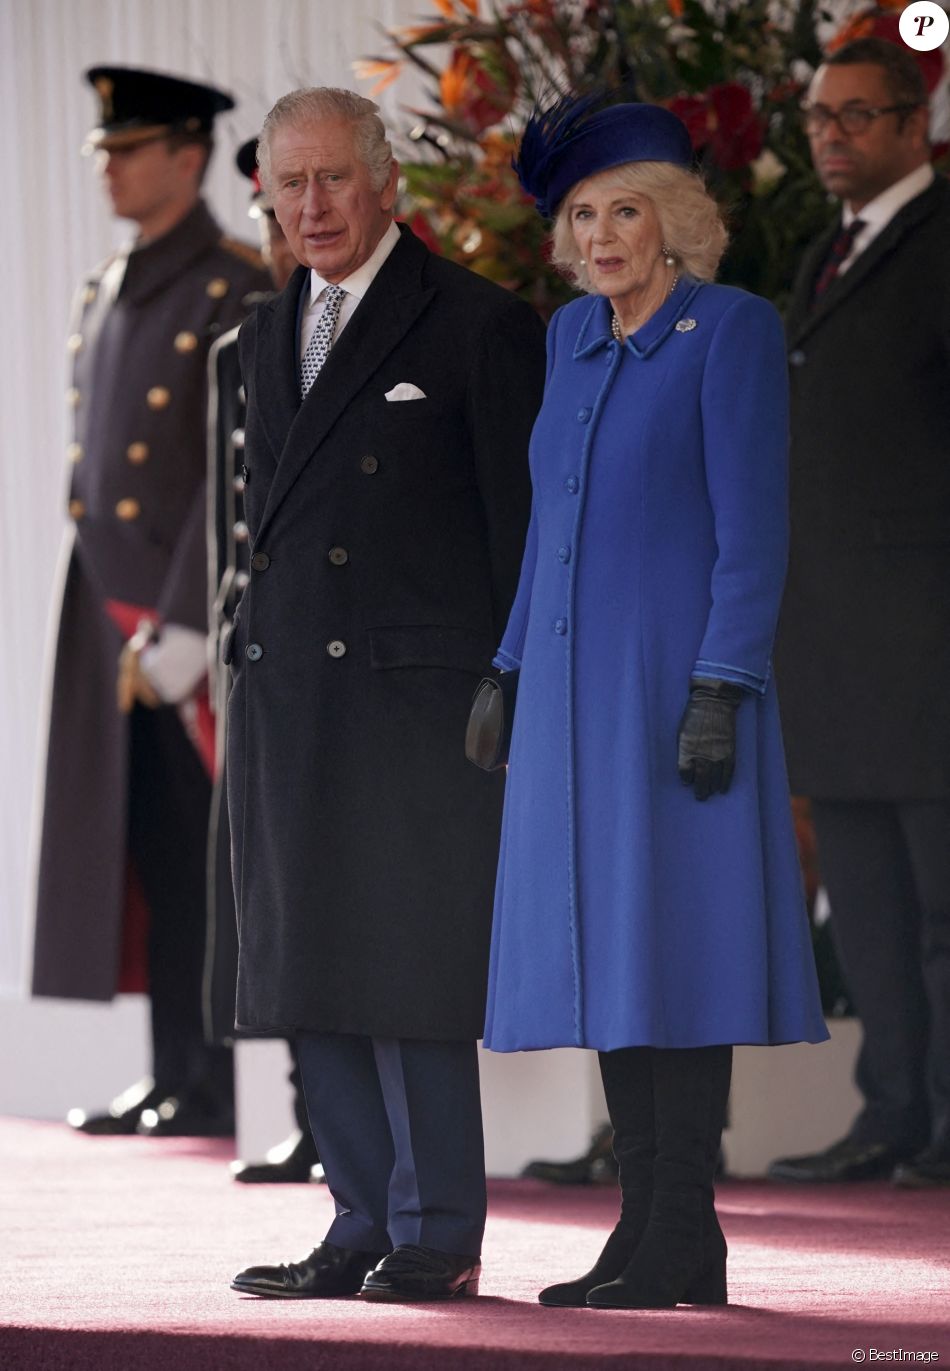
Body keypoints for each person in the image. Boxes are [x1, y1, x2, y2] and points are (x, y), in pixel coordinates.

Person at [481, 92, 828, 1311]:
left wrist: (721, 687)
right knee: (612, 960)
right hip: (575, 706)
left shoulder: (725, 331)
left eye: (624, 209)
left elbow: (753, 535)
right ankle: (645, 1229)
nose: (600, 234)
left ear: (675, 221)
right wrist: (507, 667)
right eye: (581, 214)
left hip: (676, 698)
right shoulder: (569, 341)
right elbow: (547, 534)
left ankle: (686, 1229)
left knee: (677, 954)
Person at [227, 87, 545, 1301]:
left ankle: (436, 1230)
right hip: (290, 696)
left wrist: (511, 686)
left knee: (410, 972)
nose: (310, 207)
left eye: (332, 181)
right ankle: (357, 1218)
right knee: (311, 966)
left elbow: (517, 536)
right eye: (287, 183)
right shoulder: (266, 331)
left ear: (385, 183)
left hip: (421, 708)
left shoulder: (476, 324)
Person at [32, 66, 271, 1138]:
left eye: (130, 149)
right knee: (143, 852)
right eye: (105, 151)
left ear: (188, 155)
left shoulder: (232, 282)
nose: (111, 168)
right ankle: (173, 1069)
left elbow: (231, 471)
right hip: (108, 611)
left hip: (186, 618)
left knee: (206, 856)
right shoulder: (106, 285)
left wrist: (185, 621)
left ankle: (216, 1079)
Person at [767, 38, 950, 1189]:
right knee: (871, 915)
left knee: (943, 913)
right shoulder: (826, 254)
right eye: (817, 120)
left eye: (854, 117)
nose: (830, 137)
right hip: (834, 641)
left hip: (928, 640)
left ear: (913, 120)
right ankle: (889, 1114)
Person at [205, 137, 319, 1184]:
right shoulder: (246, 342)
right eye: (268, 218)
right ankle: (304, 1107)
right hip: (259, 657)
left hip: (337, 660)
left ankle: (340, 1124)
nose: (278, 236)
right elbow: (224, 521)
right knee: (266, 898)